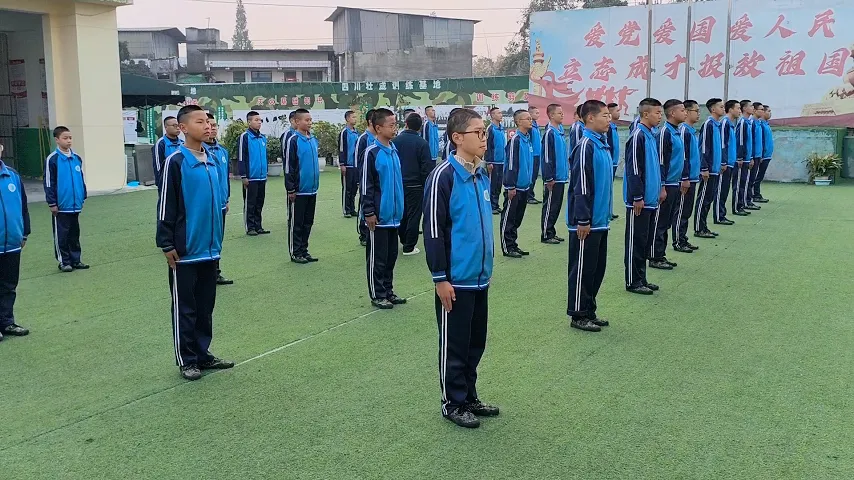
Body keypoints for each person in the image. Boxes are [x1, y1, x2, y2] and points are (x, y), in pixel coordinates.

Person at [423, 108, 498, 429]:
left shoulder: (481, 173)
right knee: (454, 345)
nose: (484, 138)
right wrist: (440, 278)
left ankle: (469, 396)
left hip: (479, 278)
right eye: (478, 133)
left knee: (474, 343)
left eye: (485, 132)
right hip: (454, 280)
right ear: (457, 138)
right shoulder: (443, 176)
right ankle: (452, 403)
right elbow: (434, 230)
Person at [156, 105, 233, 381]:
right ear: (183, 128)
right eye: (200, 122)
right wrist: (166, 243)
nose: (207, 126)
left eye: (208, 122)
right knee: (185, 308)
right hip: (185, 250)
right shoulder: (176, 161)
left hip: (210, 249)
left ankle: (203, 354)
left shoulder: (212, 158)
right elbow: (166, 204)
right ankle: (187, 359)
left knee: (204, 307)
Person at [567, 100, 613, 333]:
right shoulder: (586, 146)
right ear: (590, 118)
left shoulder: (601, 144)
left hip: (600, 219)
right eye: (604, 115)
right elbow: (582, 185)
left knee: (596, 269)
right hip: (587, 222)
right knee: (582, 270)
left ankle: (589, 310)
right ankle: (578, 314)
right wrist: (583, 219)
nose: (609, 119)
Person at [362, 109, 406, 309]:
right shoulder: (372, 152)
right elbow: (366, 185)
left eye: (396, 124)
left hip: (394, 216)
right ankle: (377, 294)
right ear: (378, 128)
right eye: (391, 125)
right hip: (378, 217)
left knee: (390, 257)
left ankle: (388, 291)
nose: (395, 128)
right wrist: (369, 212)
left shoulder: (394, 150)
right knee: (377, 258)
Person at [623, 98, 663, 296]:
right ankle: (633, 281)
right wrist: (637, 196)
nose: (660, 116)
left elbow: (654, 166)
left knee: (645, 241)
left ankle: (641, 278)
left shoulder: (651, 135)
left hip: (651, 199)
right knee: (636, 242)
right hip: (639, 200)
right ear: (645, 114)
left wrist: (659, 189)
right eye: (657, 113)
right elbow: (634, 169)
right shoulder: (638, 135)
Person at [649, 99, 687, 271]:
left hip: (674, 183)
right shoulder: (665, 133)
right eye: (682, 110)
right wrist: (662, 186)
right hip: (667, 184)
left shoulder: (676, 131)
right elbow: (661, 162)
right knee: (660, 221)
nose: (685, 113)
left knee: (666, 221)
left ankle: (660, 254)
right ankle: (654, 256)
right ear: (672, 113)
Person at [45, 126, 89, 272]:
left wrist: (83, 195)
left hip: (75, 204)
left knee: (74, 234)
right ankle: (64, 261)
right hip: (61, 206)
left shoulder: (77, 158)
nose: (69, 141)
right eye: (65, 138)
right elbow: (49, 183)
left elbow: (80, 178)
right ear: (57, 140)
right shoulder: (53, 159)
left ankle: (76, 260)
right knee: (62, 235)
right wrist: (52, 203)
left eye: (70, 138)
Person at [0, 144, 30, 342]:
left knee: (9, 285)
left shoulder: (12, 175)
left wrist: (24, 233)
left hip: (12, 242)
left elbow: (23, 205)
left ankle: (6, 322)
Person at [392, 112, 432, 256]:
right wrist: (426, 186)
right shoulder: (422, 143)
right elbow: (426, 168)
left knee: (402, 213)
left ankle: (403, 239)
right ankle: (409, 246)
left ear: (406, 124)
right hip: (416, 185)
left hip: (398, 184)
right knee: (414, 215)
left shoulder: (395, 141)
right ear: (420, 127)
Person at [285, 108, 321, 264]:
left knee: (308, 222)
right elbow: (289, 166)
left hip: (312, 189)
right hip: (299, 191)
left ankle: (304, 250)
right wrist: (291, 188)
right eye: (306, 120)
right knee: (297, 223)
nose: (309, 122)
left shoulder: (312, 139)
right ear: (297, 121)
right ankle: (296, 252)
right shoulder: (293, 140)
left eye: (310, 120)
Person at [204, 114, 233, 286]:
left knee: (217, 240)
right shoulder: (198, 152)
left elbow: (225, 178)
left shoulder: (223, 151)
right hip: (205, 206)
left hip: (220, 205)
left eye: (214, 125)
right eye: (208, 124)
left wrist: (226, 198)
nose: (212, 128)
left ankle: (215, 273)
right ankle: (205, 275)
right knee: (204, 241)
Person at [500, 110, 534, 258]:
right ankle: (507, 247)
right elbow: (511, 165)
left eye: (531, 118)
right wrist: (510, 186)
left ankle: (513, 244)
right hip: (514, 187)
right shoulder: (515, 140)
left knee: (517, 218)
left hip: (525, 187)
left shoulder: (527, 139)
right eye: (527, 118)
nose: (530, 120)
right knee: (509, 218)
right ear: (519, 122)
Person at [672, 100, 702, 253]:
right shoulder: (684, 131)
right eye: (696, 111)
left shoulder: (690, 131)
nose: (698, 114)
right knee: (681, 211)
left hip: (693, 177)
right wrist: (685, 177)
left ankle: (683, 238)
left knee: (687, 210)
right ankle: (678, 241)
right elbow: (683, 157)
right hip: (686, 179)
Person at [694, 98, 724, 239]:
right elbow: (704, 148)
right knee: (703, 199)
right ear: (713, 109)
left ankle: (704, 226)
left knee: (709, 199)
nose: (723, 109)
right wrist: (704, 167)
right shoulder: (708, 125)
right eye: (720, 107)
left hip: (715, 169)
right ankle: (699, 228)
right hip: (708, 170)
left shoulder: (717, 125)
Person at [541, 103, 568, 245]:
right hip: (553, 178)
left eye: (562, 112)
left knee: (556, 206)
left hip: (561, 177)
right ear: (551, 115)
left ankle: (551, 231)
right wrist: (549, 177)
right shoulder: (549, 133)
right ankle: (546, 234)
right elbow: (547, 157)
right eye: (559, 113)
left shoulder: (559, 132)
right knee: (550, 206)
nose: (562, 115)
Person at [238, 111, 269, 236]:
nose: (259, 122)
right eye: (256, 120)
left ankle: (258, 226)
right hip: (250, 177)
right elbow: (241, 157)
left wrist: (266, 172)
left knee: (259, 202)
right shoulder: (245, 137)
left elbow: (265, 156)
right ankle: (250, 227)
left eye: (260, 120)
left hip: (262, 177)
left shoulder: (263, 138)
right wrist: (244, 176)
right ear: (249, 122)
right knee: (250, 203)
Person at [355, 109, 377, 246]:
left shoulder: (380, 138)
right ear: (370, 122)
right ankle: (363, 233)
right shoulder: (363, 138)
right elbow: (357, 161)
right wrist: (359, 180)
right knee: (364, 205)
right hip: (365, 179)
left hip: (377, 180)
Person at [717, 100, 739, 224]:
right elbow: (722, 144)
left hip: (730, 162)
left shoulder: (730, 124)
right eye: (738, 108)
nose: (739, 111)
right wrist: (723, 162)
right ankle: (719, 216)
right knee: (721, 190)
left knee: (725, 190)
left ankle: (722, 215)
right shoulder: (725, 123)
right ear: (730, 109)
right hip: (725, 164)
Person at [733, 100, 755, 216]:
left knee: (744, 183)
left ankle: (743, 203)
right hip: (741, 159)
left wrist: (750, 157)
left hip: (747, 158)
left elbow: (748, 142)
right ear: (745, 109)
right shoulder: (742, 123)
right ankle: (737, 207)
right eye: (751, 106)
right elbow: (740, 141)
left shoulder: (748, 122)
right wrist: (740, 157)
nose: (753, 108)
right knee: (738, 184)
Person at [484, 107, 506, 213]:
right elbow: (487, 146)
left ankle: (496, 205)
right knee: (492, 184)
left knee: (498, 185)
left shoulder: (501, 128)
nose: (501, 115)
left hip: (501, 161)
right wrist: (489, 162)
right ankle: (491, 206)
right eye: (498, 113)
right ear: (492, 115)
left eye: (501, 113)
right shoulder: (490, 129)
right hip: (493, 162)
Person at [338, 110, 360, 218]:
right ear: (347, 119)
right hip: (347, 165)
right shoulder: (344, 132)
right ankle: (346, 210)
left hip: (355, 165)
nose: (355, 119)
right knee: (347, 188)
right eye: (353, 117)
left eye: (355, 117)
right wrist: (342, 164)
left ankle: (352, 209)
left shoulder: (357, 132)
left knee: (354, 188)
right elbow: (341, 148)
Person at [152, 116, 183, 190]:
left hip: (182, 181)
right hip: (167, 182)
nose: (178, 128)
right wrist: (161, 184)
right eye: (174, 125)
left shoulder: (183, 143)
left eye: (179, 125)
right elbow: (158, 166)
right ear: (166, 127)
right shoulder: (161, 144)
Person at [746, 102, 765, 209]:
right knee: (749, 180)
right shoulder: (751, 122)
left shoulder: (758, 123)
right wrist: (751, 157)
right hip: (752, 156)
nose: (763, 111)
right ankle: (748, 200)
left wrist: (760, 155)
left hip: (758, 155)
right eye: (761, 109)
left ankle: (749, 199)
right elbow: (750, 141)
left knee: (752, 179)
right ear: (755, 111)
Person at [752, 105, 773, 203]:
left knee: (760, 176)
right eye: (768, 111)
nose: (770, 113)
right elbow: (761, 141)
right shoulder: (760, 125)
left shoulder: (766, 124)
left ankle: (756, 194)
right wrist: (762, 155)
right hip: (762, 155)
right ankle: (755, 195)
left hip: (767, 155)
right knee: (757, 176)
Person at [606, 103, 621, 220]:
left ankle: (609, 211)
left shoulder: (614, 127)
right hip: (610, 162)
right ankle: (606, 212)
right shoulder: (608, 128)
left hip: (614, 162)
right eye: (617, 111)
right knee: (606, 188)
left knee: (610, 188)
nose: (619, 113)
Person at [527, 106, 543, 205]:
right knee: (531, 176)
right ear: (530, 114)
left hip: (537, 155)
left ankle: (531, 195)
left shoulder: (536, 126)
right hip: (532, 155)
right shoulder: (530, 127)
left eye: (538, 113)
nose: (538, 115)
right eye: (536, 113)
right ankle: (529, 196)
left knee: (535, 176)